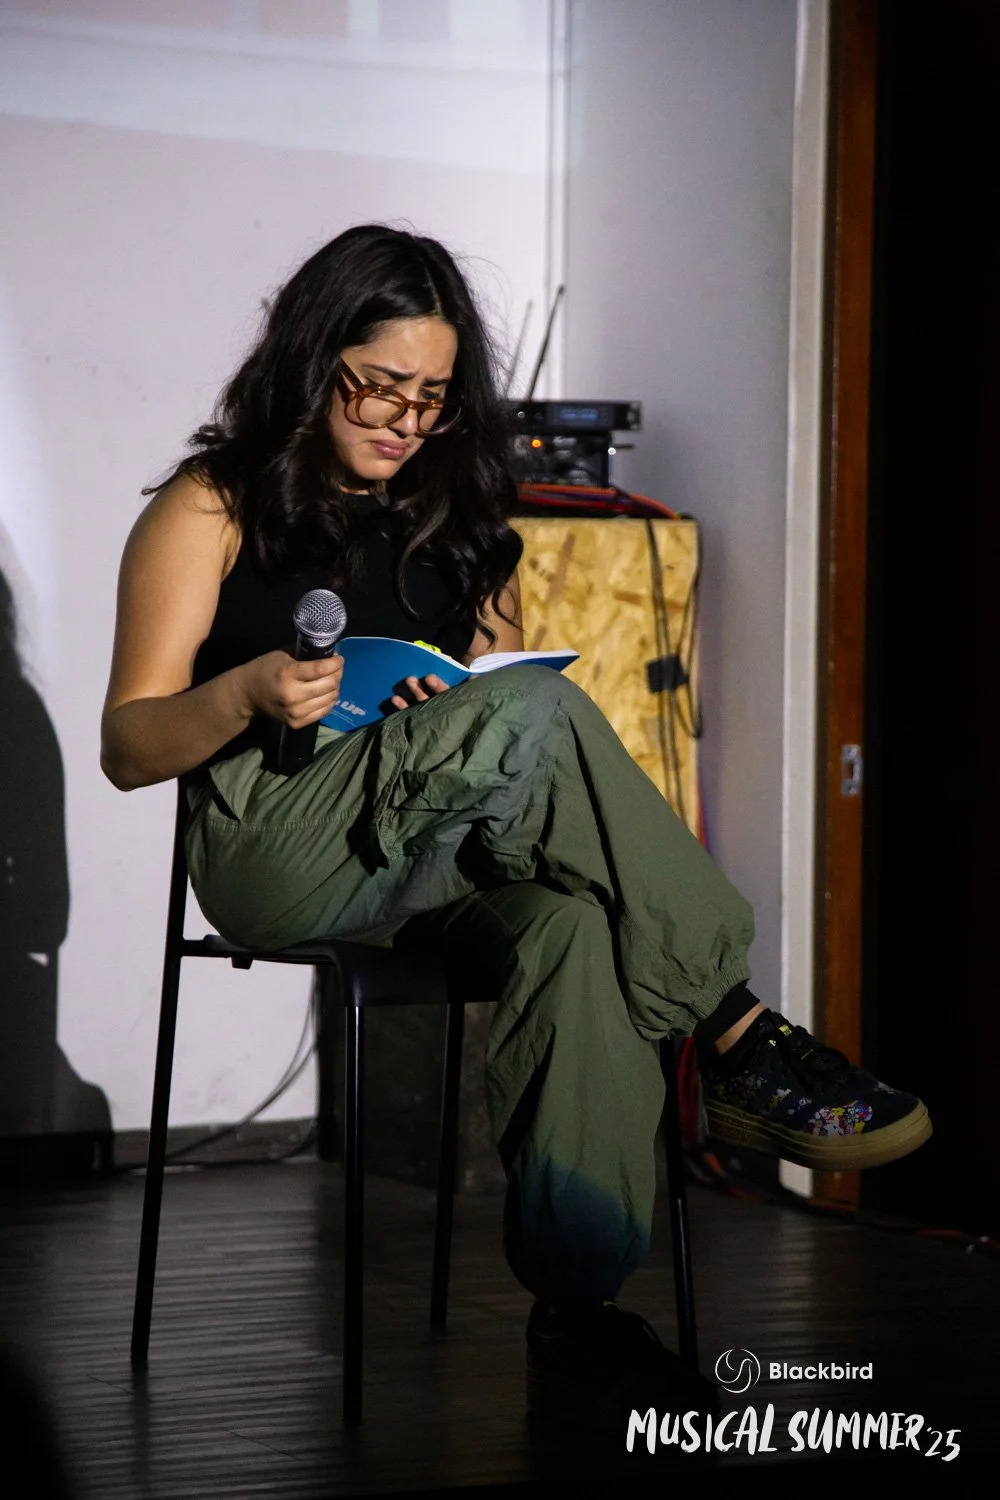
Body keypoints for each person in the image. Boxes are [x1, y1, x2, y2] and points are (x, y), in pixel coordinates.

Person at [101, 224, 931, 1432]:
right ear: (314, 360)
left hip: (424, 849)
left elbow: (501, 706)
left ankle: (576, 1310)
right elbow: (128, 748)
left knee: (574, 929)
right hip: (275, 848)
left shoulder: (459, 519)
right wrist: (245, 692)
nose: (405, 421)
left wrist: (444, 712)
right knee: (532, 716)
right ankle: (735, 1029)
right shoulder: (214, 502)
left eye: (432, 399)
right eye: (380, 386)